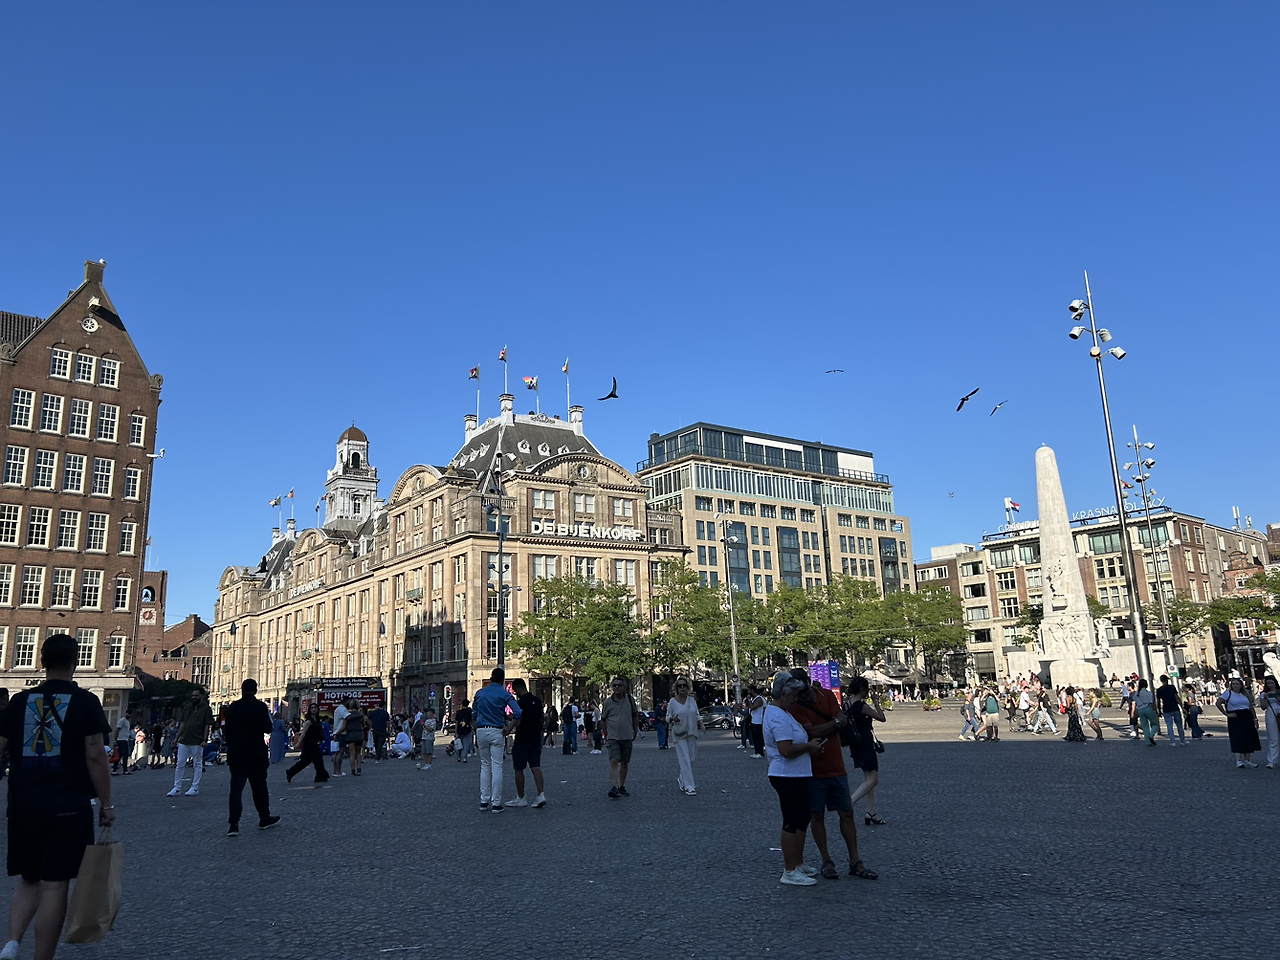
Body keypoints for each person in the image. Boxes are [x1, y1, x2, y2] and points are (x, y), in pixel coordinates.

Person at [0, 633, 113, 960]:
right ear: (75, 661)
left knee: (29, 880)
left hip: (24, 805)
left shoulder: (19, 702)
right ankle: (42, 957)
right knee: (54, 884)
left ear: (42, 661)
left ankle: (11, 942)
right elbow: (95, 756)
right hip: (67, 806)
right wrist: (106, 804)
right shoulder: (86, 702)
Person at [787, 670, 876, 882]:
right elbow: (812, 732)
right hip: (813, 770)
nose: (801, 696)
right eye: (796, 692)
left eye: (803, 691)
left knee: (847, 813)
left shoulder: (826, 695)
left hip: (836, 767)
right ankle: (826, 860)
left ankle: (855, 860)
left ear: (809, 683)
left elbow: (841, 722)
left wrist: (829, 726)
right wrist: (833, 725)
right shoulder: (795, 706)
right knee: (817, 816)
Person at [762, 671, 824, 886]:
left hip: (795, 773)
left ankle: (798, 863)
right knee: (791, 820)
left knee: (801, 818)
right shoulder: (777, 716)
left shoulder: (783, 713)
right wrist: (809, 746)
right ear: (783, 693)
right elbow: (785, 750)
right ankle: (789, 870)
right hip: (786, 774)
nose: (796, 699)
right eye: (794, 695)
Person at [223, 679, 279, 837]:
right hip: (256, 753)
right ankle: (264, 818)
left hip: (236, 754)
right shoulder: (260, 707)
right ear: (256, 690)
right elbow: (268, 728)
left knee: (236, 789)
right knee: (259, 786)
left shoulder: (232, 707)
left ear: (242, 689)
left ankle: (233, 824)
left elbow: (226, 731)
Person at [473, 668, 520, 813]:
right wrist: (509, 728)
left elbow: (474, 713)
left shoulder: (480, 693)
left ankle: (484, 801)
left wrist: (476, 729)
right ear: (502, 680)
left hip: (481, 729)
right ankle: (496, 803)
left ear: (491, 678)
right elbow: (517, 712)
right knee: (497, 766)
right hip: (497, 730)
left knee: (485, 765)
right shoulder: (504, 694)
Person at [846, 676, 887, 827]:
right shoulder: (861, 706)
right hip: (865, 743)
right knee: (873, 780)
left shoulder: (847, 704)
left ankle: (871, 812)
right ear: (862, 690)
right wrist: (876, 702)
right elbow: (881, 718)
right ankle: (849, 803)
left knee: (868, 778)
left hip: (855, 743)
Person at [507, 679, 546, 808]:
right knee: (535, 766)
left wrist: (509, 727)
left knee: (518, 768)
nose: (515, 693)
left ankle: (521, 797)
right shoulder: (537, 701)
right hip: (536, 737)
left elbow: (518, 721)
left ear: (518, 688)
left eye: (515, 690)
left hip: (522, 738)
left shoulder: (520, 703)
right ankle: (541, 794)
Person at [167, 688, 213, 797]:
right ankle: (177, 787)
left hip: (197, 740)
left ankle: (194, 787)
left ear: (202, 696)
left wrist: (204, 739)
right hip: (184, 740)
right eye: (193, 695)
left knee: (197, 764)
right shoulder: (187, 707)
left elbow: (207, 725)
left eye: (196, 695)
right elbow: (183, 723)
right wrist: (177, 738)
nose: (194, 697)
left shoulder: (206, 709)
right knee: (180, 763)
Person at [600, 678, 640, 800]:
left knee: (624, 762)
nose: (617, 687)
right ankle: (614, 786)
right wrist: (605, 734)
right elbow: (603, 719)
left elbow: (635, 715)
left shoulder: (630, 700)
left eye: (619, 685)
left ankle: (622, 786)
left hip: (627, 736)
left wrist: (635, 730)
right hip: (613, 737)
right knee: (613, 760)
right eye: (615, 685)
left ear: (624, 687)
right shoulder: (608, 702)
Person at [665, 677, 704, 796]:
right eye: (680, 686)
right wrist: (672, 719)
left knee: (691, 758)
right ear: (676, 688)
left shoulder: (691, 700)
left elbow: (696, 714)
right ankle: (689, 786)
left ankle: (682, 778)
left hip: (692, 732)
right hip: (679, 734)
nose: (682, 688)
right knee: (684, 758)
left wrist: (701, 724)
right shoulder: (672, 702)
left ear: (688, 687)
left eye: (684, 685)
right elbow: (667, 717)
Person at [1217, 677, 1260, 767]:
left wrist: (1255, 719)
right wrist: (1226, 714)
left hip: (1247, 716)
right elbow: (1218, 703)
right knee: (1237, 737)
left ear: (1241, 685)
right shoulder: (1228, 693)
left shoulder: (1245, 694)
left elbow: (1251, 708)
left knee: (1248, 737)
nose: (1235, 686)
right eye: (1233, 684)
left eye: (1237, 684)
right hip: (1235, 717)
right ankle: (1239, 760)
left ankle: (1247, 760)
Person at [285, 703, 329, 783]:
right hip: (309, 743)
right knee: (308, 761)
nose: (314, 709)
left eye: (315, 707)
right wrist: (298, 743)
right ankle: (291, 772)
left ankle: (320, 775)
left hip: (314, 742)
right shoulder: (309, 721)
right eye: (312, 708)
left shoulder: (317, 720)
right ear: (309, 710)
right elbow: (303, 733)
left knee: (315, 760)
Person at [1156, 675, 1188, 746]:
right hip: (1175, 707)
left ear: (1161, 681)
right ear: (1167, 680)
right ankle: (1182, 740)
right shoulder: (1172, 687)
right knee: (1179, 725)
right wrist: (1182, 708)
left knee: (1169, 726)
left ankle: (1172, 741)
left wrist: (1159, 710)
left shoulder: (1159, 690)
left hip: (1166, 709)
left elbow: (1158, 701)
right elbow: (1177, 698)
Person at [1257, 676, 1280, 768]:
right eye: (1268, 683)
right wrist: (1264, 698)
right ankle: (1272, 760)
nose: (1270, 685)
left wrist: (1278, 698)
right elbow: (1263, 707)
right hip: (1271, 713)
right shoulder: (1264, 694)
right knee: (1273, 738)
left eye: (1272, 683)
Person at [1132, 679, 1159, 746]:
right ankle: (1151, 735)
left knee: (1145, 726)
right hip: (1148, 708)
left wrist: (1134, 711)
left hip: (1140, 709)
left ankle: (1148, 741)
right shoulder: (1149, 693)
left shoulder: (1137, 693)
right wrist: (1156, 710)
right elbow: (1152, 703)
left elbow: (1134, 702)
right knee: (1155, 724)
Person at [343, 702, 367, 777]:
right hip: (359, 734)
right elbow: (363, 725)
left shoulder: (347, 715)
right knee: (358, 752)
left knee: (352, 753)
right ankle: (359, 768)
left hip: (350, 734)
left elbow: (345, 725)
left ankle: (353, 770)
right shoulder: (361, 715)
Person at [331, 698, 350, 777]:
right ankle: (338, 771)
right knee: (340, 752)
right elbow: (347, 718)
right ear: (346, 701)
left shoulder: (337, 709)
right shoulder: (343, 710)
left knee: (336, 753)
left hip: (336, 732)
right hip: (341, 733)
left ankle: (335, 770)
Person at [746, 685, 766, 758]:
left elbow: (753, 707)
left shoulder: (759, 699)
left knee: (758, 737)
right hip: (754, 720)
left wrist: (749, 700)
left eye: (749, 691)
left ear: (752, 690)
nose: (748, 692)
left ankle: (760, 752)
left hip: (758, 721)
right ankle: (757, 751)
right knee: (754, 737)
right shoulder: (754, 699)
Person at [112, 712, 133, 776]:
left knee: (120, 755)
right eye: (129, 714)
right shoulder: (122, 721)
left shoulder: (127, 722)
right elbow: (117, 730)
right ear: (126, 713)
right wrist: (115, 739)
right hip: (121, 740)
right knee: (124, 755)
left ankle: (115, 770)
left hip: (125, 740)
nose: (129, 715)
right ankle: (124, 770)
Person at [455, 699, 474, 763]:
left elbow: (457, 722)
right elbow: (471, 721)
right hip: (467, 729)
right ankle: (464, 758)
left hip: (460, 729)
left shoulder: (458, 712)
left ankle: (459, 756)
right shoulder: (469, 712)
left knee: (459, 744)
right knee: (466, 744)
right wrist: (473, 728)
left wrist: (456, 731)